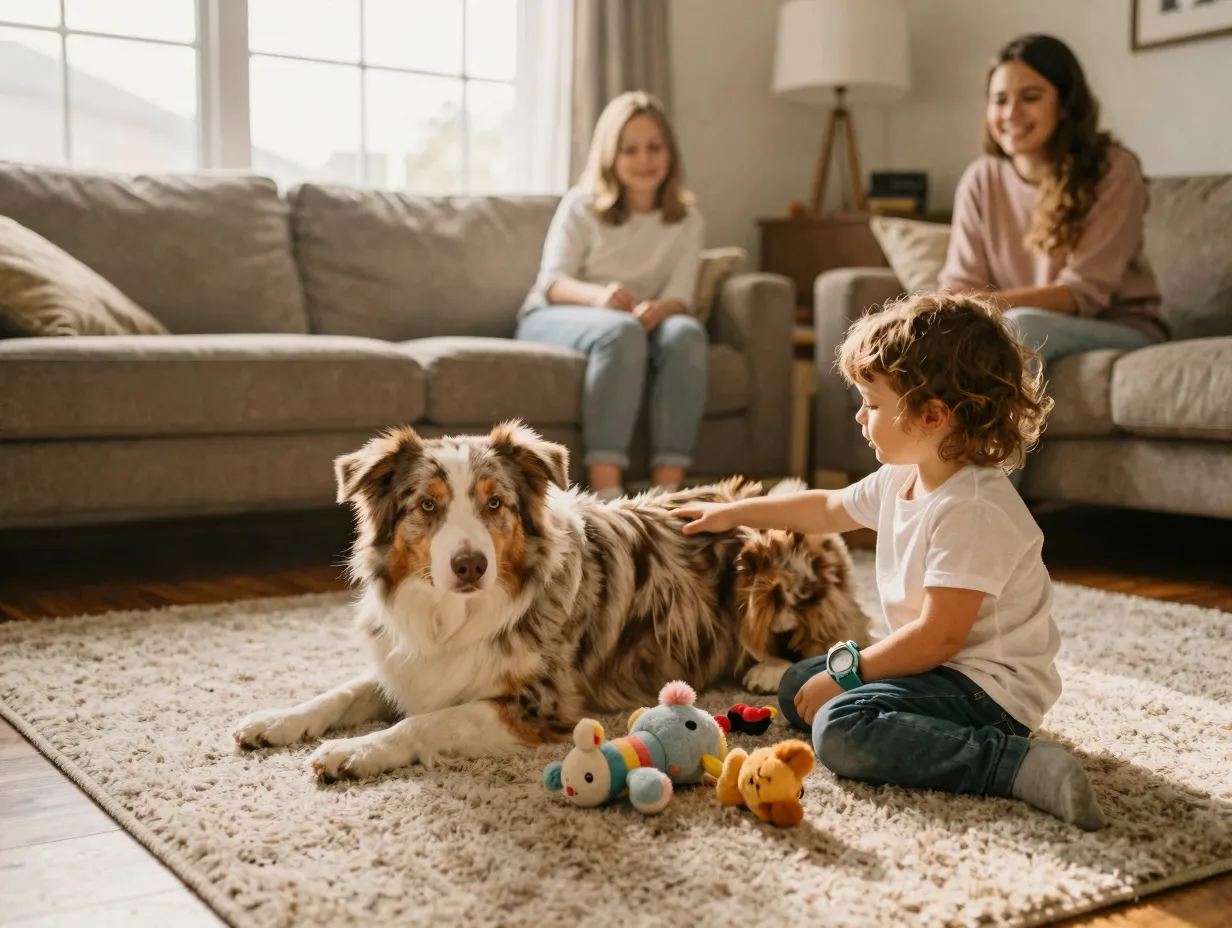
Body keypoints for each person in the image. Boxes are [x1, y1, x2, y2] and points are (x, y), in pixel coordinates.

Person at [673, 292, 1108, 831]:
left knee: (839, 728)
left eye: (873, 404)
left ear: (932, 416)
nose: (859, 416)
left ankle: (1010, 763)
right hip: (939, 670)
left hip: (988, 691)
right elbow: (828, 507)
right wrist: (734, 512)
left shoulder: (972, 508)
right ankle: (891, 711)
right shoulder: (903, 476)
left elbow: (937, 639)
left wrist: (853, 672)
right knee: (797, 686)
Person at [517, 91, 707, 499]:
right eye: (629, 149)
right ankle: (608, 500)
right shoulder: (581, 204)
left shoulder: (687, 220)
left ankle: (668, 497)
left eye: (654, 147)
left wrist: (661, 309)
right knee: (620, 332)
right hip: (557, 314)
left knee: (686, 334)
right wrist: (599, 297)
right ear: (610, 156)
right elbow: (553, 282)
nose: (644, 159)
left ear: (670, 153)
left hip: (639, 321)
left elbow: (681, 296)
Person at [939, 33, 1167, 367]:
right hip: (1013, 320)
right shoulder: (980, 178)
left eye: (1030, 97)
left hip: (1117, 327)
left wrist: (984, 304)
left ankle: (1001, 422)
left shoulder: (1115, 169)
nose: (1011, 113)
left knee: (1021, 326)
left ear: (1064, 106)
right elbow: (961, 283)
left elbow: (1084, 293)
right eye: (999, 100)